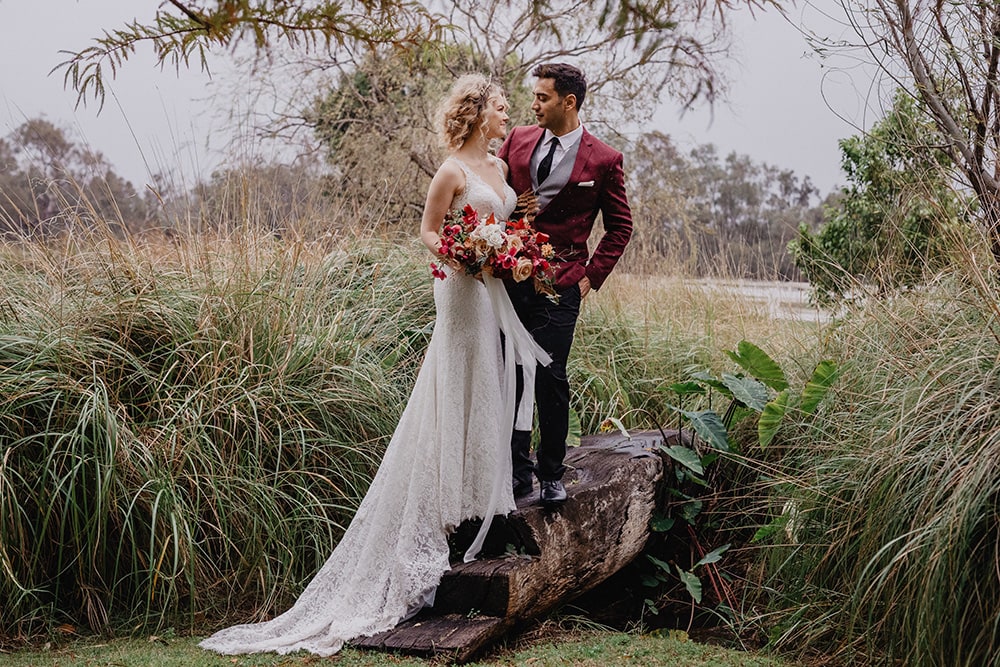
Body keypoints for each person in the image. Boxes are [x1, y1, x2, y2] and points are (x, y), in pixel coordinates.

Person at [199, 74, 549, 657]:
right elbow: (429, 232)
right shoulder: (452, 172)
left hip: (492, 289)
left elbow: (510, 224)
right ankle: (442, 509)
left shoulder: (502, 171)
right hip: (460, 290)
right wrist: (463, 255)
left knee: (487, 378)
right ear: (476, 113)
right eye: (499, 107)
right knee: (456, 374)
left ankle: (474, 505)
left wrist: (510, 250)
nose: (507, 114)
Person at [498, 63, 633, 505]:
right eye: (534, 96)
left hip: (562, 284)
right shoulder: (516, 140)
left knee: (550, 375)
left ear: (568, 102)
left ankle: (551, 472)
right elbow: (493, 196)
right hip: (508, 278)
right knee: (509, 373)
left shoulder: (605, 159)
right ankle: (517, 473)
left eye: (542, 97)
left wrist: (590, 278)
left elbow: (620, 227)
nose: (533, 104)